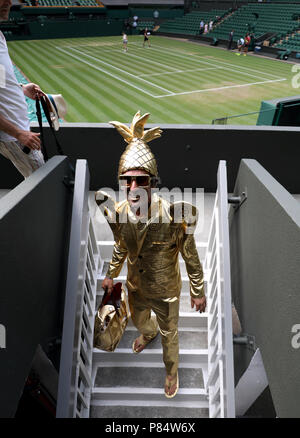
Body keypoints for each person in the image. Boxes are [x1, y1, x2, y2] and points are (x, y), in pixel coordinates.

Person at [95, 111, 206, 399]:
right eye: (127, 181)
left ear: (153, 183)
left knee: (171, 336)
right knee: (139, 322)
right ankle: (148, 332)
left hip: (167, 292)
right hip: (136, 288)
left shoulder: (174, 217)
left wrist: (198, 291)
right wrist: (110, 274)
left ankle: (171, 371)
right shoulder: (119, 212)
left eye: (140, 181)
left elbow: (191, 258)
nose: (132, 189)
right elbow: (121, 244)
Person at [0, 0, 45, 178]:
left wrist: (22, 89)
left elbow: (1, 80)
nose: (9, 2)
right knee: (43, 186)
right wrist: (19, 134)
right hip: (14, 136)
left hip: (17, 133)